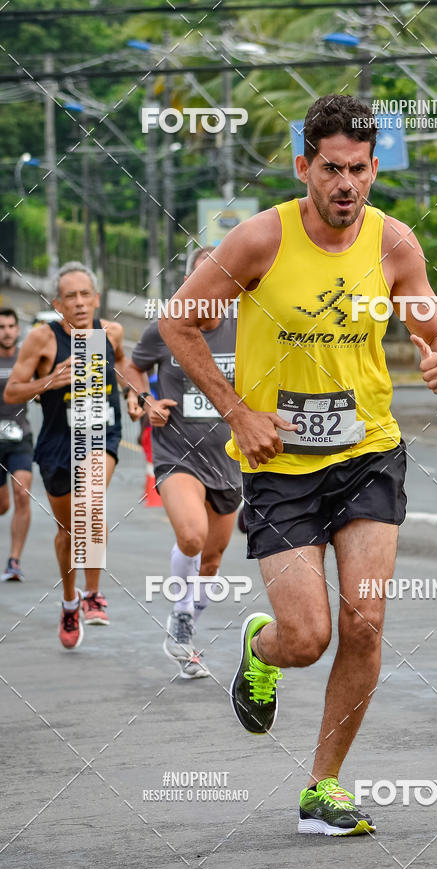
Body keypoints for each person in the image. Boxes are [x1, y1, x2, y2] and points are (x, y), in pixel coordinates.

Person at [160, 94, 437, 836]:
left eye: (359, 169)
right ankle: (263, 649)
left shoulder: (395, 243)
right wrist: (238, 412)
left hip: (368, 455)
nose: (346, 185)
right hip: (280, 467)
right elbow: (176, 320)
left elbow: (431, 322)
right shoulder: (260, 240)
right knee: (308, 637)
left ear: (374, 168)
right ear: (304, 167)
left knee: (366, 623)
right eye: (331, 169)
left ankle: (323, 787)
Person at [126, 246, 241, 679]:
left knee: (212, 560)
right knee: (192, 538)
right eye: (200, 280)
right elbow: (135, 370)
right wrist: (144, 400)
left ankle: (188, 622)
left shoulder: (244, 326)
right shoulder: (167, 326)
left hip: (229, 459)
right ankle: (179, 615)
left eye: (219, 280)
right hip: (177, 450)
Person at [4, 262, 127, 648]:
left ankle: (93, 595)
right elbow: (12, 392)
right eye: (69, 296)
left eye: (84, 294)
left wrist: (138, 399)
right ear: (58, 304)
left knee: (92, 503)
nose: (78, 303)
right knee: (68, 531)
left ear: (96, 298)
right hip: (57, 445)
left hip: (102, 433)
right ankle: (70, 601)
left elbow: (122, 366)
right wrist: (51, 380)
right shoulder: (43, 338)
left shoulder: (111, 332)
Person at [0, 309, 32, 581]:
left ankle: (14, 561)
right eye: (1, 326)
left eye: (11, 325)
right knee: (2, 505)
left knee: (22, 493)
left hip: (20, 436)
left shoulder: (26, 358)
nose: (7, 331)